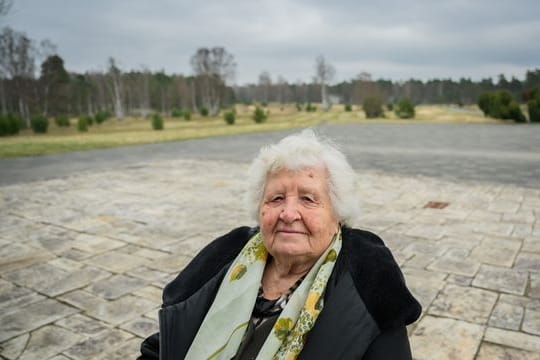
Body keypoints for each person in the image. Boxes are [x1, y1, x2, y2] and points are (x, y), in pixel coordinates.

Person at [138, 129, 421, 360]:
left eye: (308, 199)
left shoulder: (371, 288)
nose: (288, 213)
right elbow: (163, 347)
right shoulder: (222, 262)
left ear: (338, 214)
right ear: (259, 209)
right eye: (276, 199)